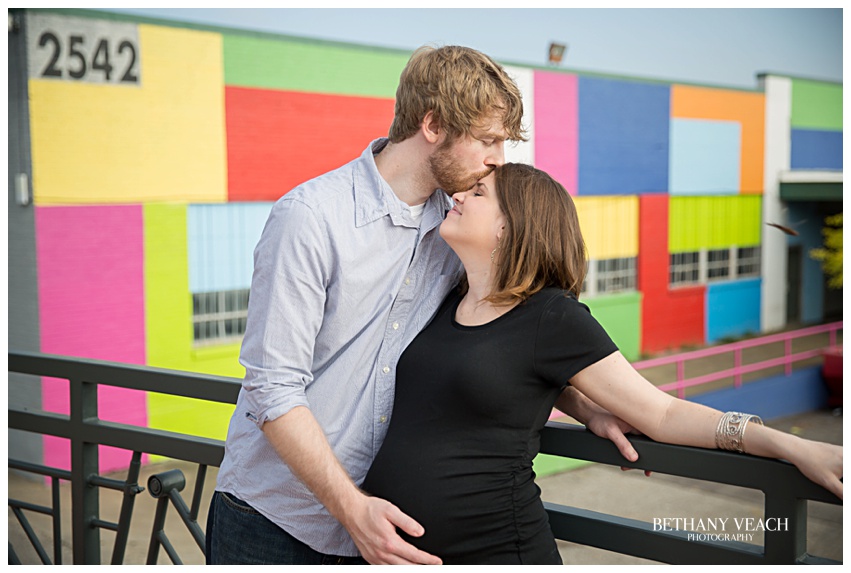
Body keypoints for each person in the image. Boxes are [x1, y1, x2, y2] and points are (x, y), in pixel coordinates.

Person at [206, 45, 639, 566]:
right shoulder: (310, 218)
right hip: (274, 522)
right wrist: (351, 509)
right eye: (488, 140)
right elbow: (272, 387)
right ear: (432, 125)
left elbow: (502, 338)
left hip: (384, 528)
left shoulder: (459, 229)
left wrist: (583, 404)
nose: (499, 159)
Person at [360, 162, 844, 565]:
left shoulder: (553, 316)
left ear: (514, 223)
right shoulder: (445, 300)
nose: (458, 195)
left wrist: (786, 446)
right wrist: (582, 405)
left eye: (479, 191)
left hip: (495, 549)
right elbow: (498, 372)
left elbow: (662, 413)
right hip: (395, 552)